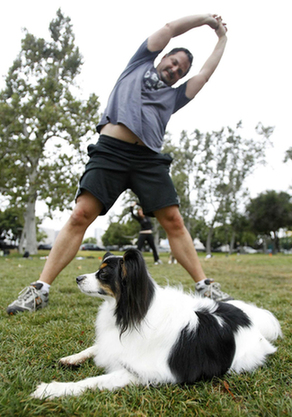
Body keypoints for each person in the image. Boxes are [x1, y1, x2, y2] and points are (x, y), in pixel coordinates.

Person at [7, 13, 232, 315]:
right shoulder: (138, 65)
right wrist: (203, 20)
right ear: (163, 57)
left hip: (149, 159)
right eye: (173, 61)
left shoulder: (174, 96)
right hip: (111, 151)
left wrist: (222, 39)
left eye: (181, 69)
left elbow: (204, 75)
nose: (175, 68)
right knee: (80, 215)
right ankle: (39, 290)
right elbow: (168, 29)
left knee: (174, 221)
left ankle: (205, 286)